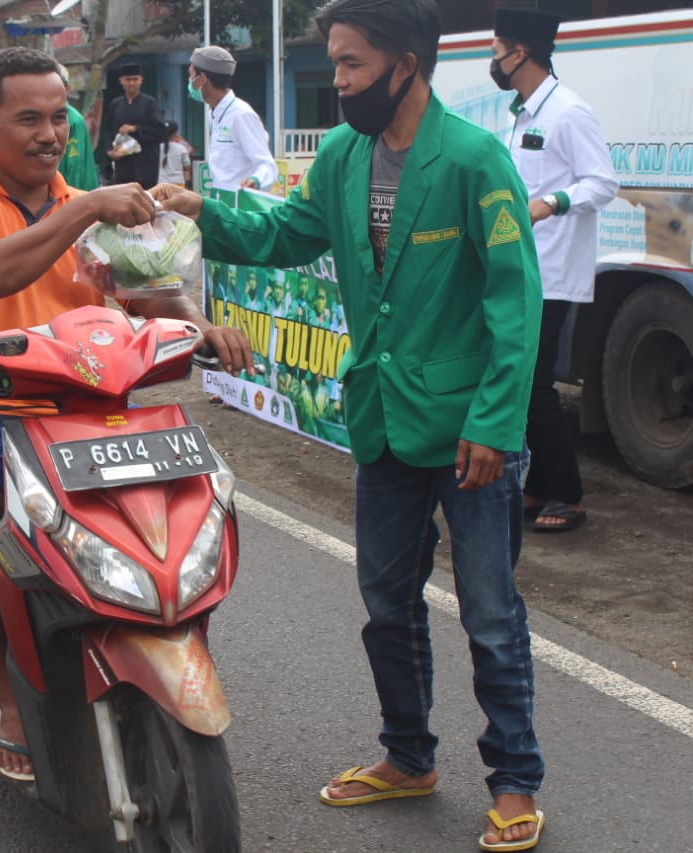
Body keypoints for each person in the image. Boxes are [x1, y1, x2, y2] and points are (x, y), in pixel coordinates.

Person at [155, 0, 547, 848]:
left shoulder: (475, 161)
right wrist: (196, 208)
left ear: (406, 64)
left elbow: (515, 302)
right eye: (333, 63)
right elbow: (289, 234)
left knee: (489, 612)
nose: (336, 83)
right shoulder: (339, 155)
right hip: (381, 421)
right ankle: (408, 756)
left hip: (469, 429)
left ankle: (514, 777)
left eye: (351, 65)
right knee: (384, 605)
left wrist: (495, 424)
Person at [0, 46, 253, 782]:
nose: (48, 133)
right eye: (26, 118)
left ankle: (159, 637)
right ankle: (6, 689)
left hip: (91, 402)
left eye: (57, 118)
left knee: (191, 505)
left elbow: (149, 286)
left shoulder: (88, 204)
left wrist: (199, 326)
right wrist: (86, 209)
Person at [490, 6, 618, 534]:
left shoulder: (568, 111)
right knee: (526, 382)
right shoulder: (523, 112)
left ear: (521, 53)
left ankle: (567, 493)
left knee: (537, 385)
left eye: (496, 51)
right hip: (521, 266)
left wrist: (553, 202)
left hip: (552, 270)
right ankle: (541, 485)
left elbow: (602, 182)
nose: (492, 61)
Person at [188, 45, 278, 193]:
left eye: (192, 76)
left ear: (202, 79)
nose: (190, 82)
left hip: (240, 204)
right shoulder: (214, 113)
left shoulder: (241, 114)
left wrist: (256, 181)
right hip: (221, 200)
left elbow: (268, 165)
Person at [101, 63, 166, 187]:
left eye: (135, 79)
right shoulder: (116, 105)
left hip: (146, 168)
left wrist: (135, 129)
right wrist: (109, 151)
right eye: (128, 79)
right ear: (121, 81)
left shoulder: (149, 103)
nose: (132, 83)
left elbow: (160, 133)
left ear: (141, 80)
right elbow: (108, 131)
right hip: (122, 168)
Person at [54, 64, 99, 191]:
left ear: (66, 89)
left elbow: (75, 166)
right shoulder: (50, 118)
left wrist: (72, 201)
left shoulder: (72, 120)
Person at [156, 121, 192, 188]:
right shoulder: (182, 148)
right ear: (176, 132)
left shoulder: (157, 148)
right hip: (178, 184)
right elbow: (187, 168)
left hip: (161, 184)